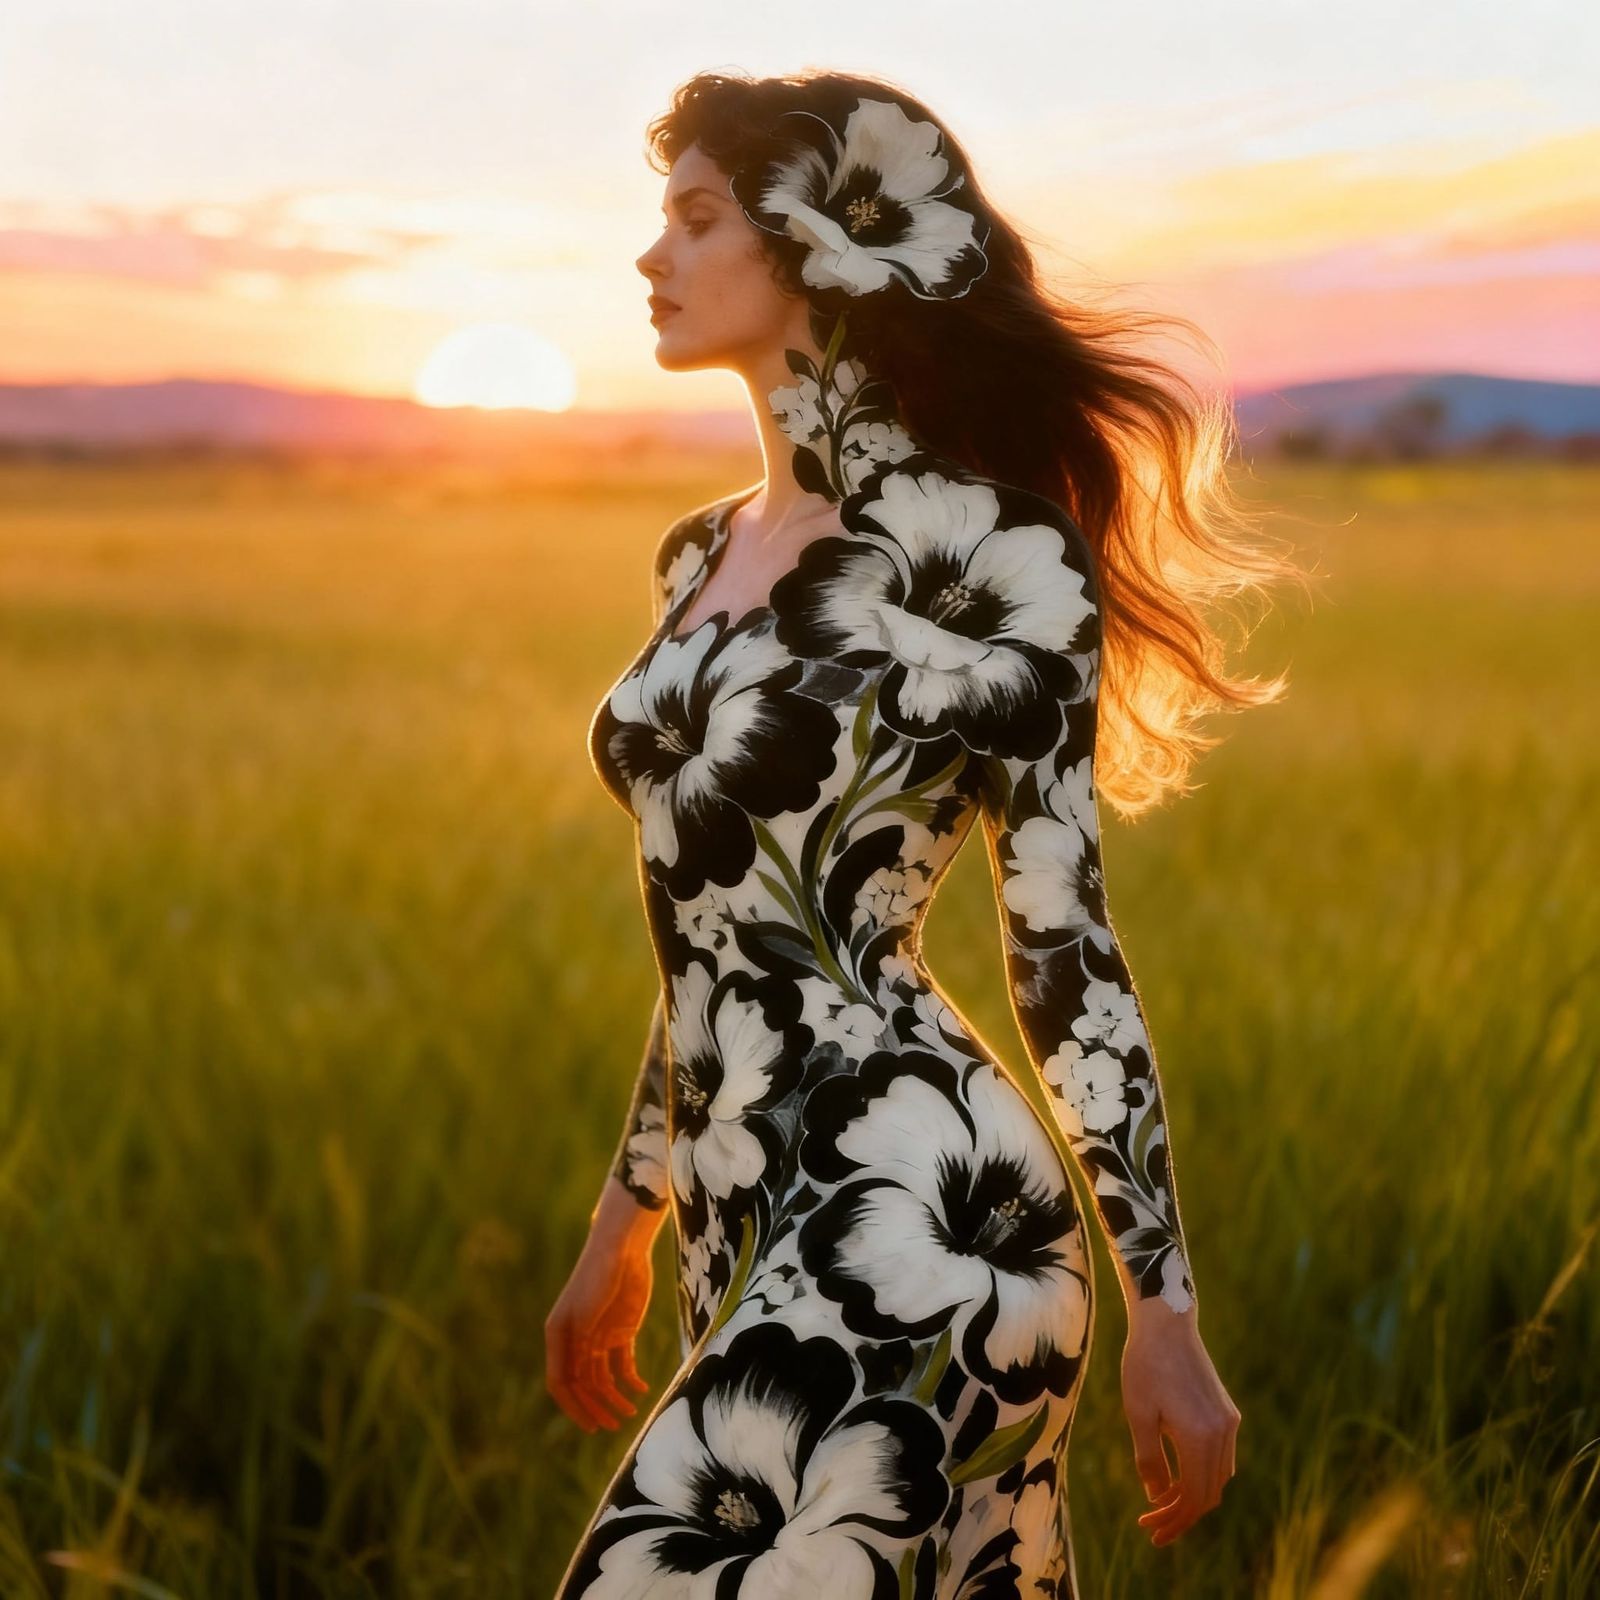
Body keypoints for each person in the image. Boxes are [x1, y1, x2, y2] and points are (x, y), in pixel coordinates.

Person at [549, 67, 1295, 1598]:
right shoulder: (698, 554)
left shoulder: (995, 553)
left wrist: (1167, 1314)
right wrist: (625, 1222)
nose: (651, 257)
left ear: (819, 246)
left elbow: (1064, 949)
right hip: (740, 1211)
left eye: (696, 219)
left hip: (925, 1213)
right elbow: (711, 926)